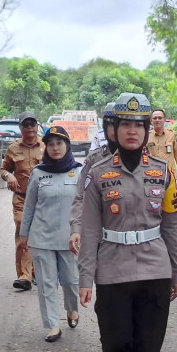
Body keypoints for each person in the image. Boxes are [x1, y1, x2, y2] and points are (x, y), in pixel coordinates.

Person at [78, 92, 177, 352]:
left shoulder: (162, 171)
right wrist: (85, 277)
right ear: (114, 129)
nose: (133, 131)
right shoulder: (98, 173)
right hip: (113, 269)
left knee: (148, 350)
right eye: (126, 124)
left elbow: (171, 223)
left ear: (146, 129)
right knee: (117, 342)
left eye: (139, 125)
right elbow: (90, 228)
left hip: (155, 268)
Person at [20, 126, 82, 343]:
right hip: (42, 238)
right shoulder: (38, 172)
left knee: (71, 281)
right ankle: (53, 325)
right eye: (51, 144)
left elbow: (86, 206)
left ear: (67, 146)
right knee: (46, 283)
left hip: (70, 239)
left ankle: (72, 310)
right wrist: (24, 234)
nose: (55, 148)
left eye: (60, 143)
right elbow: (29, 206)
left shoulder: (79, 172)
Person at [0, 111, 45, 291]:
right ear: (20, 128)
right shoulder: (13, 149)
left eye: (32, 124)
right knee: (23, 230)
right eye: (25, 125)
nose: (29, 128)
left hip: (42, 200)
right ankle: (24, 276)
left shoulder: (46, 146)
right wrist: (9, 175)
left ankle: (35, 271)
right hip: (21, 198)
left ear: (37, 126)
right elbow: (3, 170)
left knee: (39, 235)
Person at [69, 101, 116, 255]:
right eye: (111, 124)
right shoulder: (94, 160)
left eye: (121, 124)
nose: (116, 129)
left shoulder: (145, 161)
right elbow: (81, 197)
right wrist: (76, 228)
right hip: (100, 236)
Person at [147, 109, 177, 177]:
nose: (157, 120)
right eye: (155, 118)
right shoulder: (146, 136)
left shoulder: (172, 134)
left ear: (164, 120)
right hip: (153, 174)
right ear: (151, 121)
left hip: (170, 174)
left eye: (160, 118)